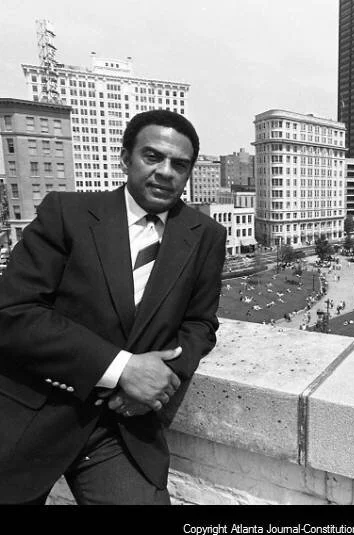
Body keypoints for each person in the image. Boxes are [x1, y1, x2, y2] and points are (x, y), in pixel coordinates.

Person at [0, 110, 226, 505]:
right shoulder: (66, 213)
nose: (166, 172)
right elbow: (13, 311)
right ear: (125, 159)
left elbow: (200, 323)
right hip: (34, 414)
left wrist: (161, 379)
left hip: (120, 428)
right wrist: (122, 369)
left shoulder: (206, 234)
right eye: (153, 156)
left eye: (180, 164)